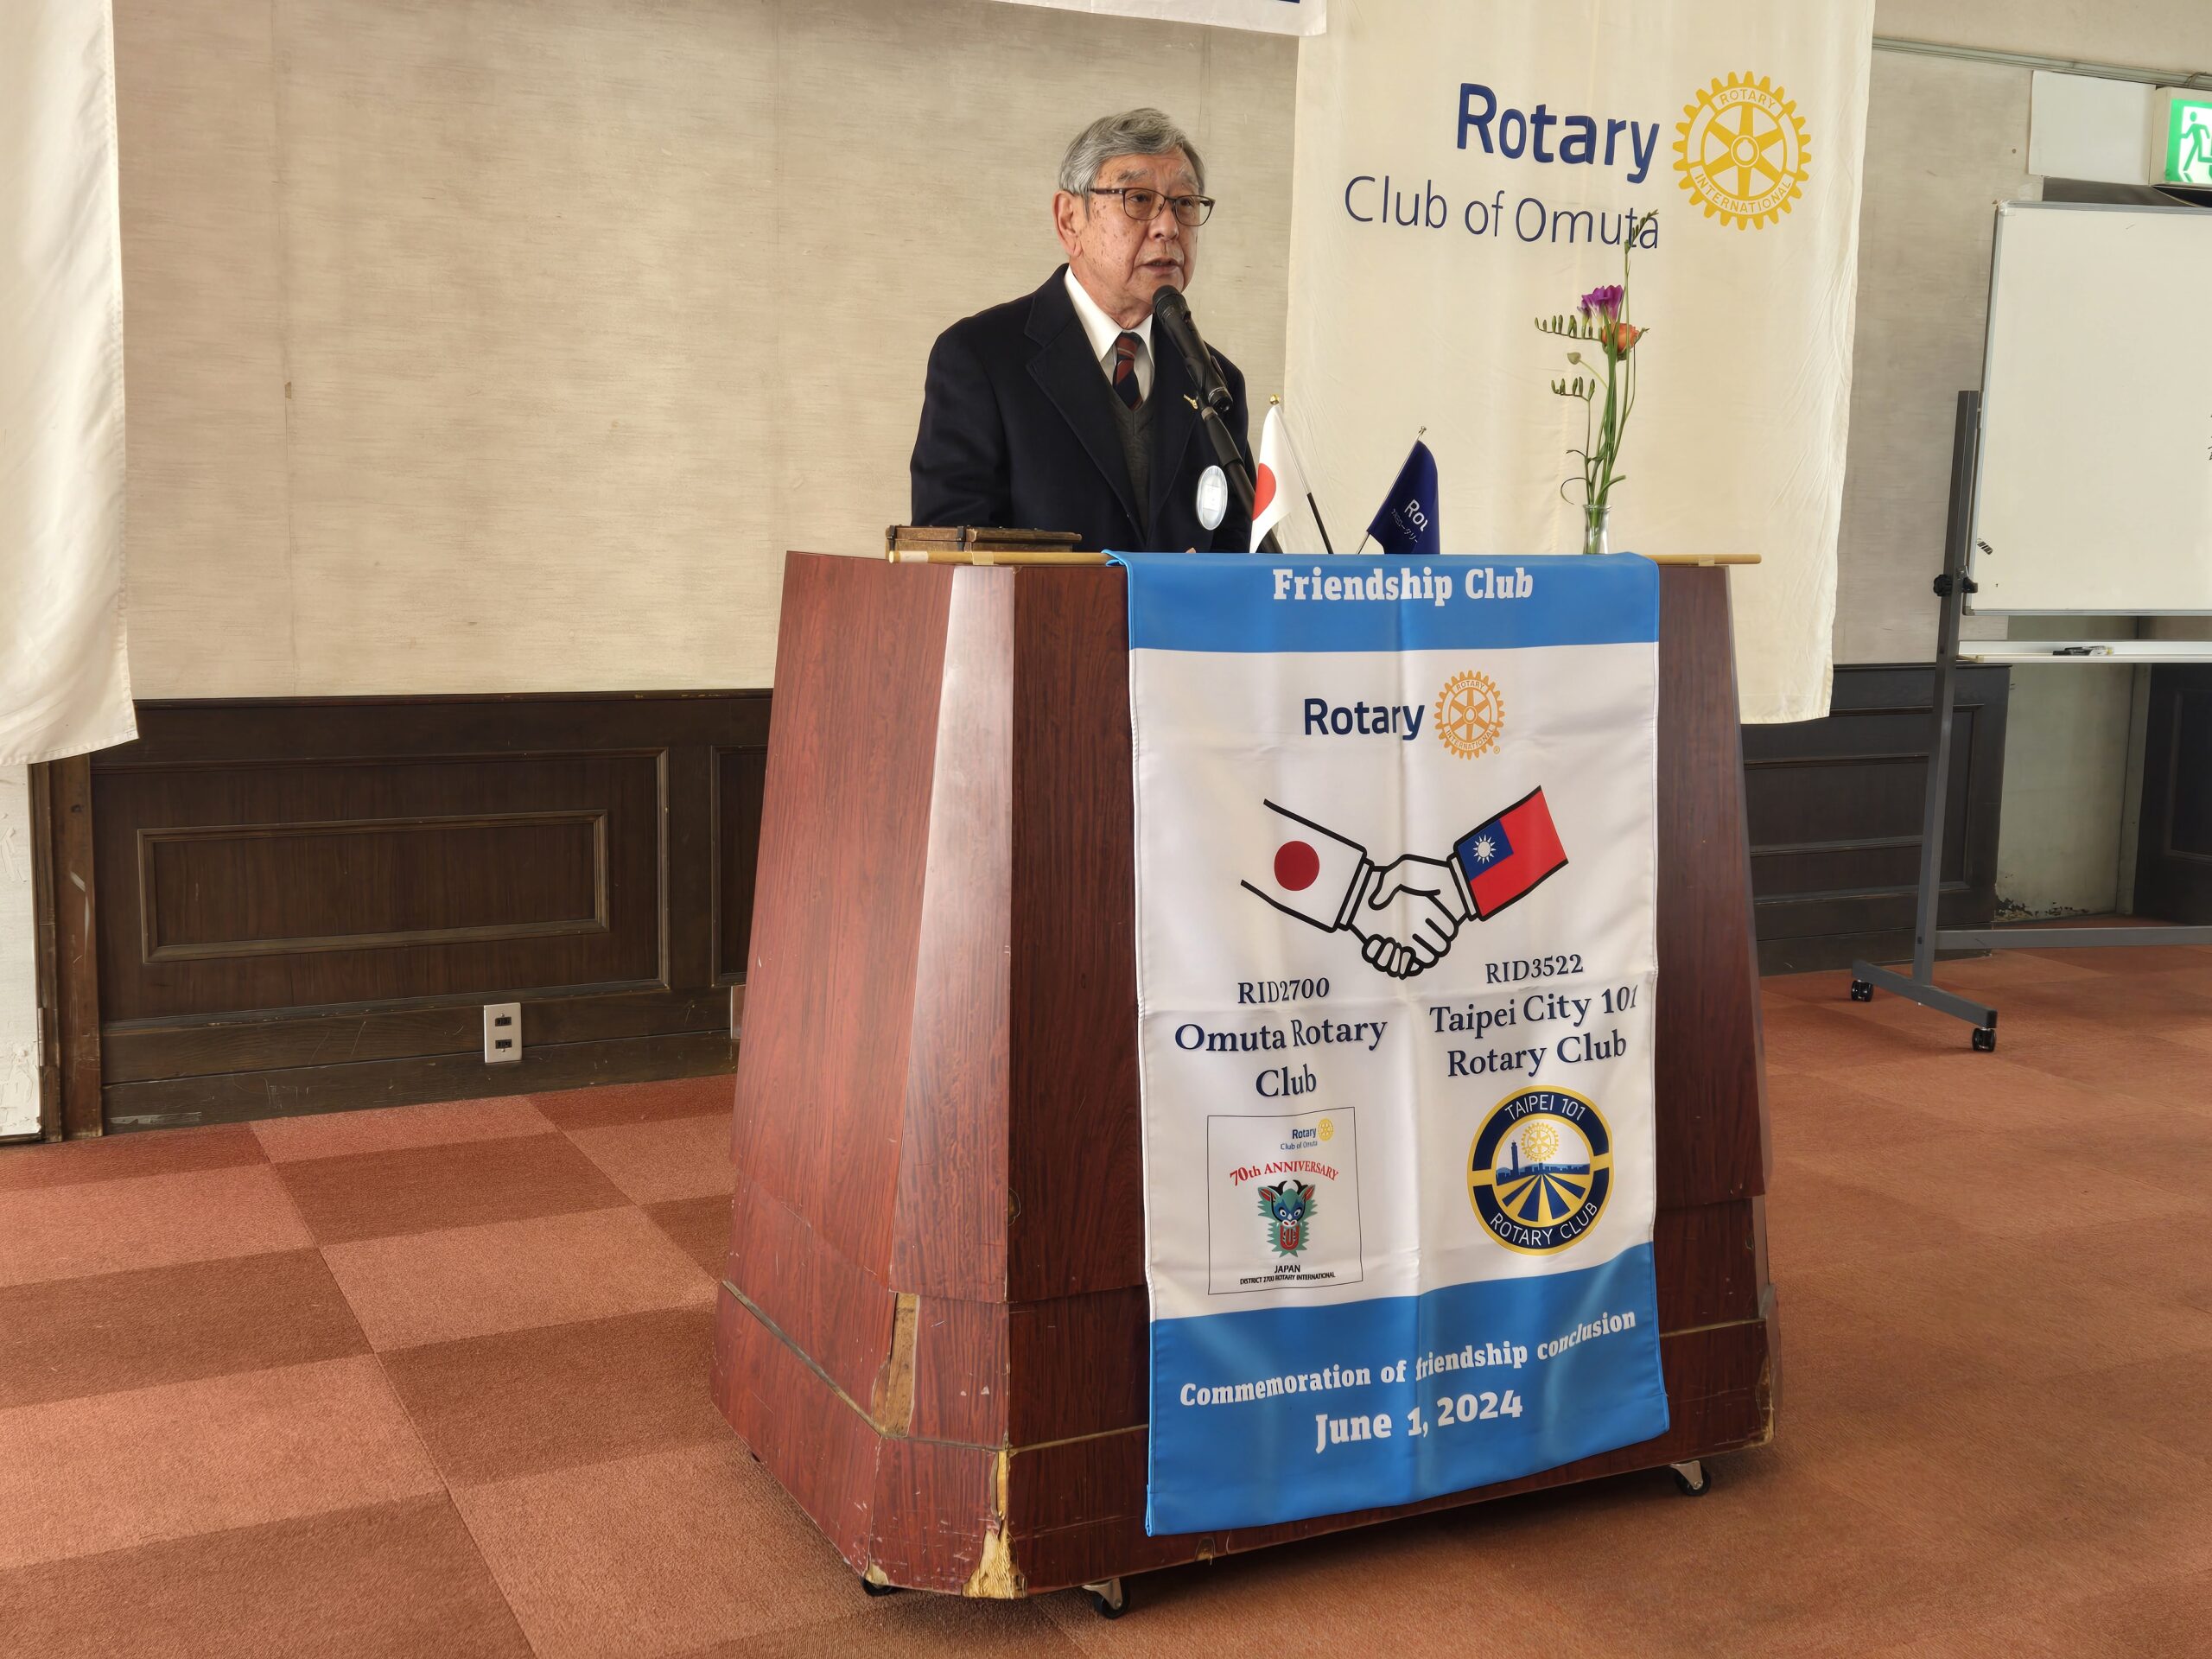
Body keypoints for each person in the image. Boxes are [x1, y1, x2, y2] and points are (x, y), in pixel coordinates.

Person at [909, 108, 1253, 552]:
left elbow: (1236, 556)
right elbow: (951, 557)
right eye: (1139, 199)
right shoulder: (980, 359)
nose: (1168, 227)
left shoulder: (1217, 381)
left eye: (1185, 204)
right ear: (1070, 219)